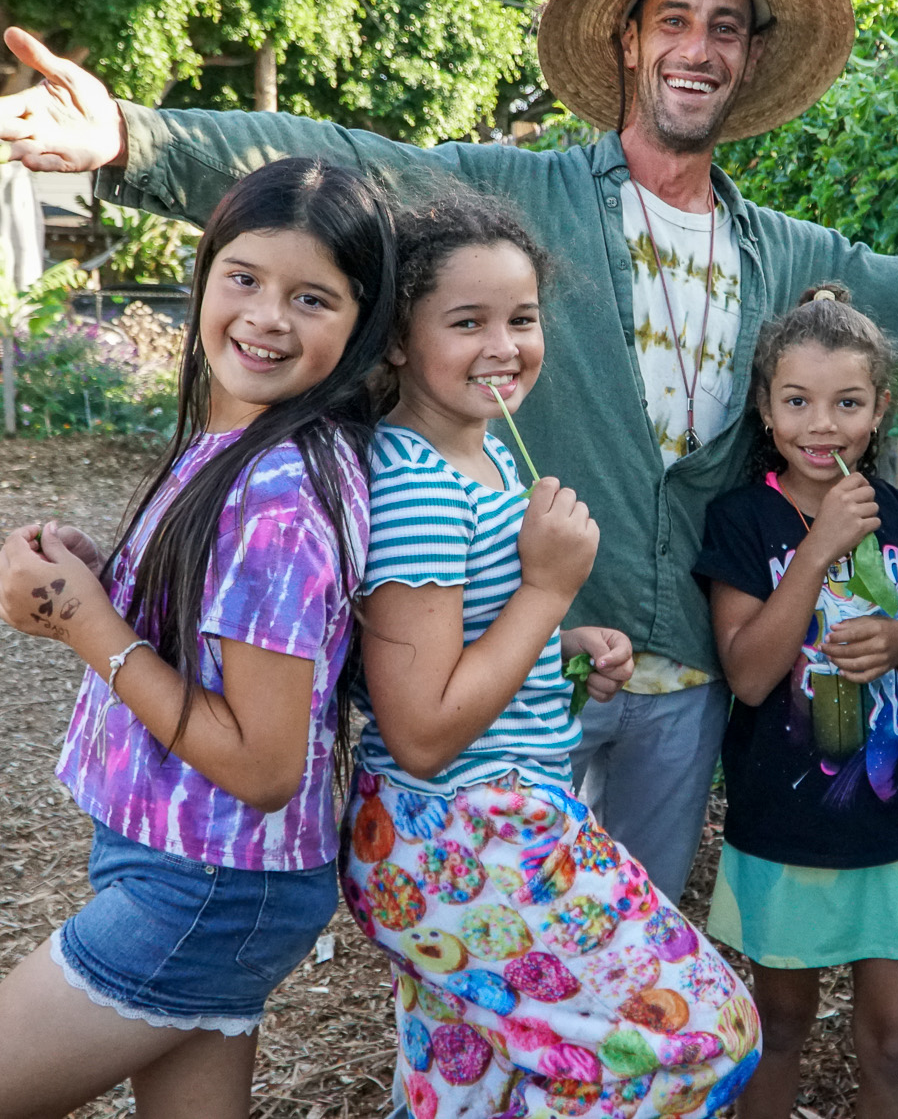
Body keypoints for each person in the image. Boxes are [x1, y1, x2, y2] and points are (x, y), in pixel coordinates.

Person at [0, 0, 898, 904]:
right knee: (477, 926)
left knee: (624, 928)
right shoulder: (525, 194)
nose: (698, 46)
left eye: (726, 29)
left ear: (747, 64)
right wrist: (131, 138)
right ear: (629, 44)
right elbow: (349, 163)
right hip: (510, 652)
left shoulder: (788, 253)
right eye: (676, 20)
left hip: (678, 668)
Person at [0, 159, 396, 1119]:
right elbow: (217, 626)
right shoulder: (242, 444)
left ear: (359, 323)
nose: (267, 316)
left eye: (312, 297)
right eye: (243, 277)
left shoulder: (280, 489)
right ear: (204, 276)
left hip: (203, 881)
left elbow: (262, 761)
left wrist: (86, 619)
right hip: (204, 869)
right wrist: (98, 573)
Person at [343, 194, 759, 1119]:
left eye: (522, 319)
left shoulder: (482, 457)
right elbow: (419, 730)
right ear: (399, 340)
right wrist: (547, 591)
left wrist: (557, 648)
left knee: (473, 1078)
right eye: (467, 322)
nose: (504, 345)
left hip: (455, 827)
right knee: (706, 1035)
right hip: (467, 825)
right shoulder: (415, 484)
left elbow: (459, 642)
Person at [693, 284, 898, 1119]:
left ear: (879, 409)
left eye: (847, 402)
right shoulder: (741, 521)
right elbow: (748, 674)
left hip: (896, 825)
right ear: (766, 412)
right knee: (778, 1025)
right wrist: (818, 546)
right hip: (785, 827)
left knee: (891, 1042)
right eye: (797, 400)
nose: (821, 424)